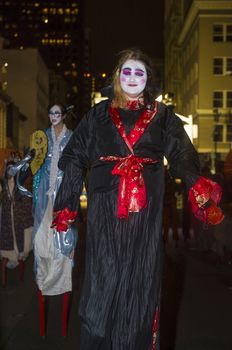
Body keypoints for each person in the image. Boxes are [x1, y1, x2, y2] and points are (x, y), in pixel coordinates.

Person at [52, 49, 224, 350]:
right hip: (105, 211)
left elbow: (181, 153)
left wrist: (196, 182)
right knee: (102, 282)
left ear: (148, 79)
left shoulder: (162, 116)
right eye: (127, 72)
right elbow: (76, 157)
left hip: (145, 215)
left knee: (141, 281)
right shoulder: (98, 115)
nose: (133, 78)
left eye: (139, 72)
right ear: (118, 76)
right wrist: (66, 204)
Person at [32, 103, 77, 297]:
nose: (53, 116)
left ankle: (60, 279)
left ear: (64, 115)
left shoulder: (72, 137)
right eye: (51, 113)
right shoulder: (41, 136)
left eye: (57, 113)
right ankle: (43, 277)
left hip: (64, 192)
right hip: (44, 192)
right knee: (41, 237)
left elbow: (76, 165)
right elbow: (35, 162)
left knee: (63, 235)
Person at [0, 160, 33, 284]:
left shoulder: (20, 186)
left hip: (19, 221)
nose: (10, 172)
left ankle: (20, 277)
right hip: (7, 221)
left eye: (12, 169)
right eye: (8, 169)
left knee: (20, 249)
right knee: (6, 251)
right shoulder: (3, 185)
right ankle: (3, 281)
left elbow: (26, 203)